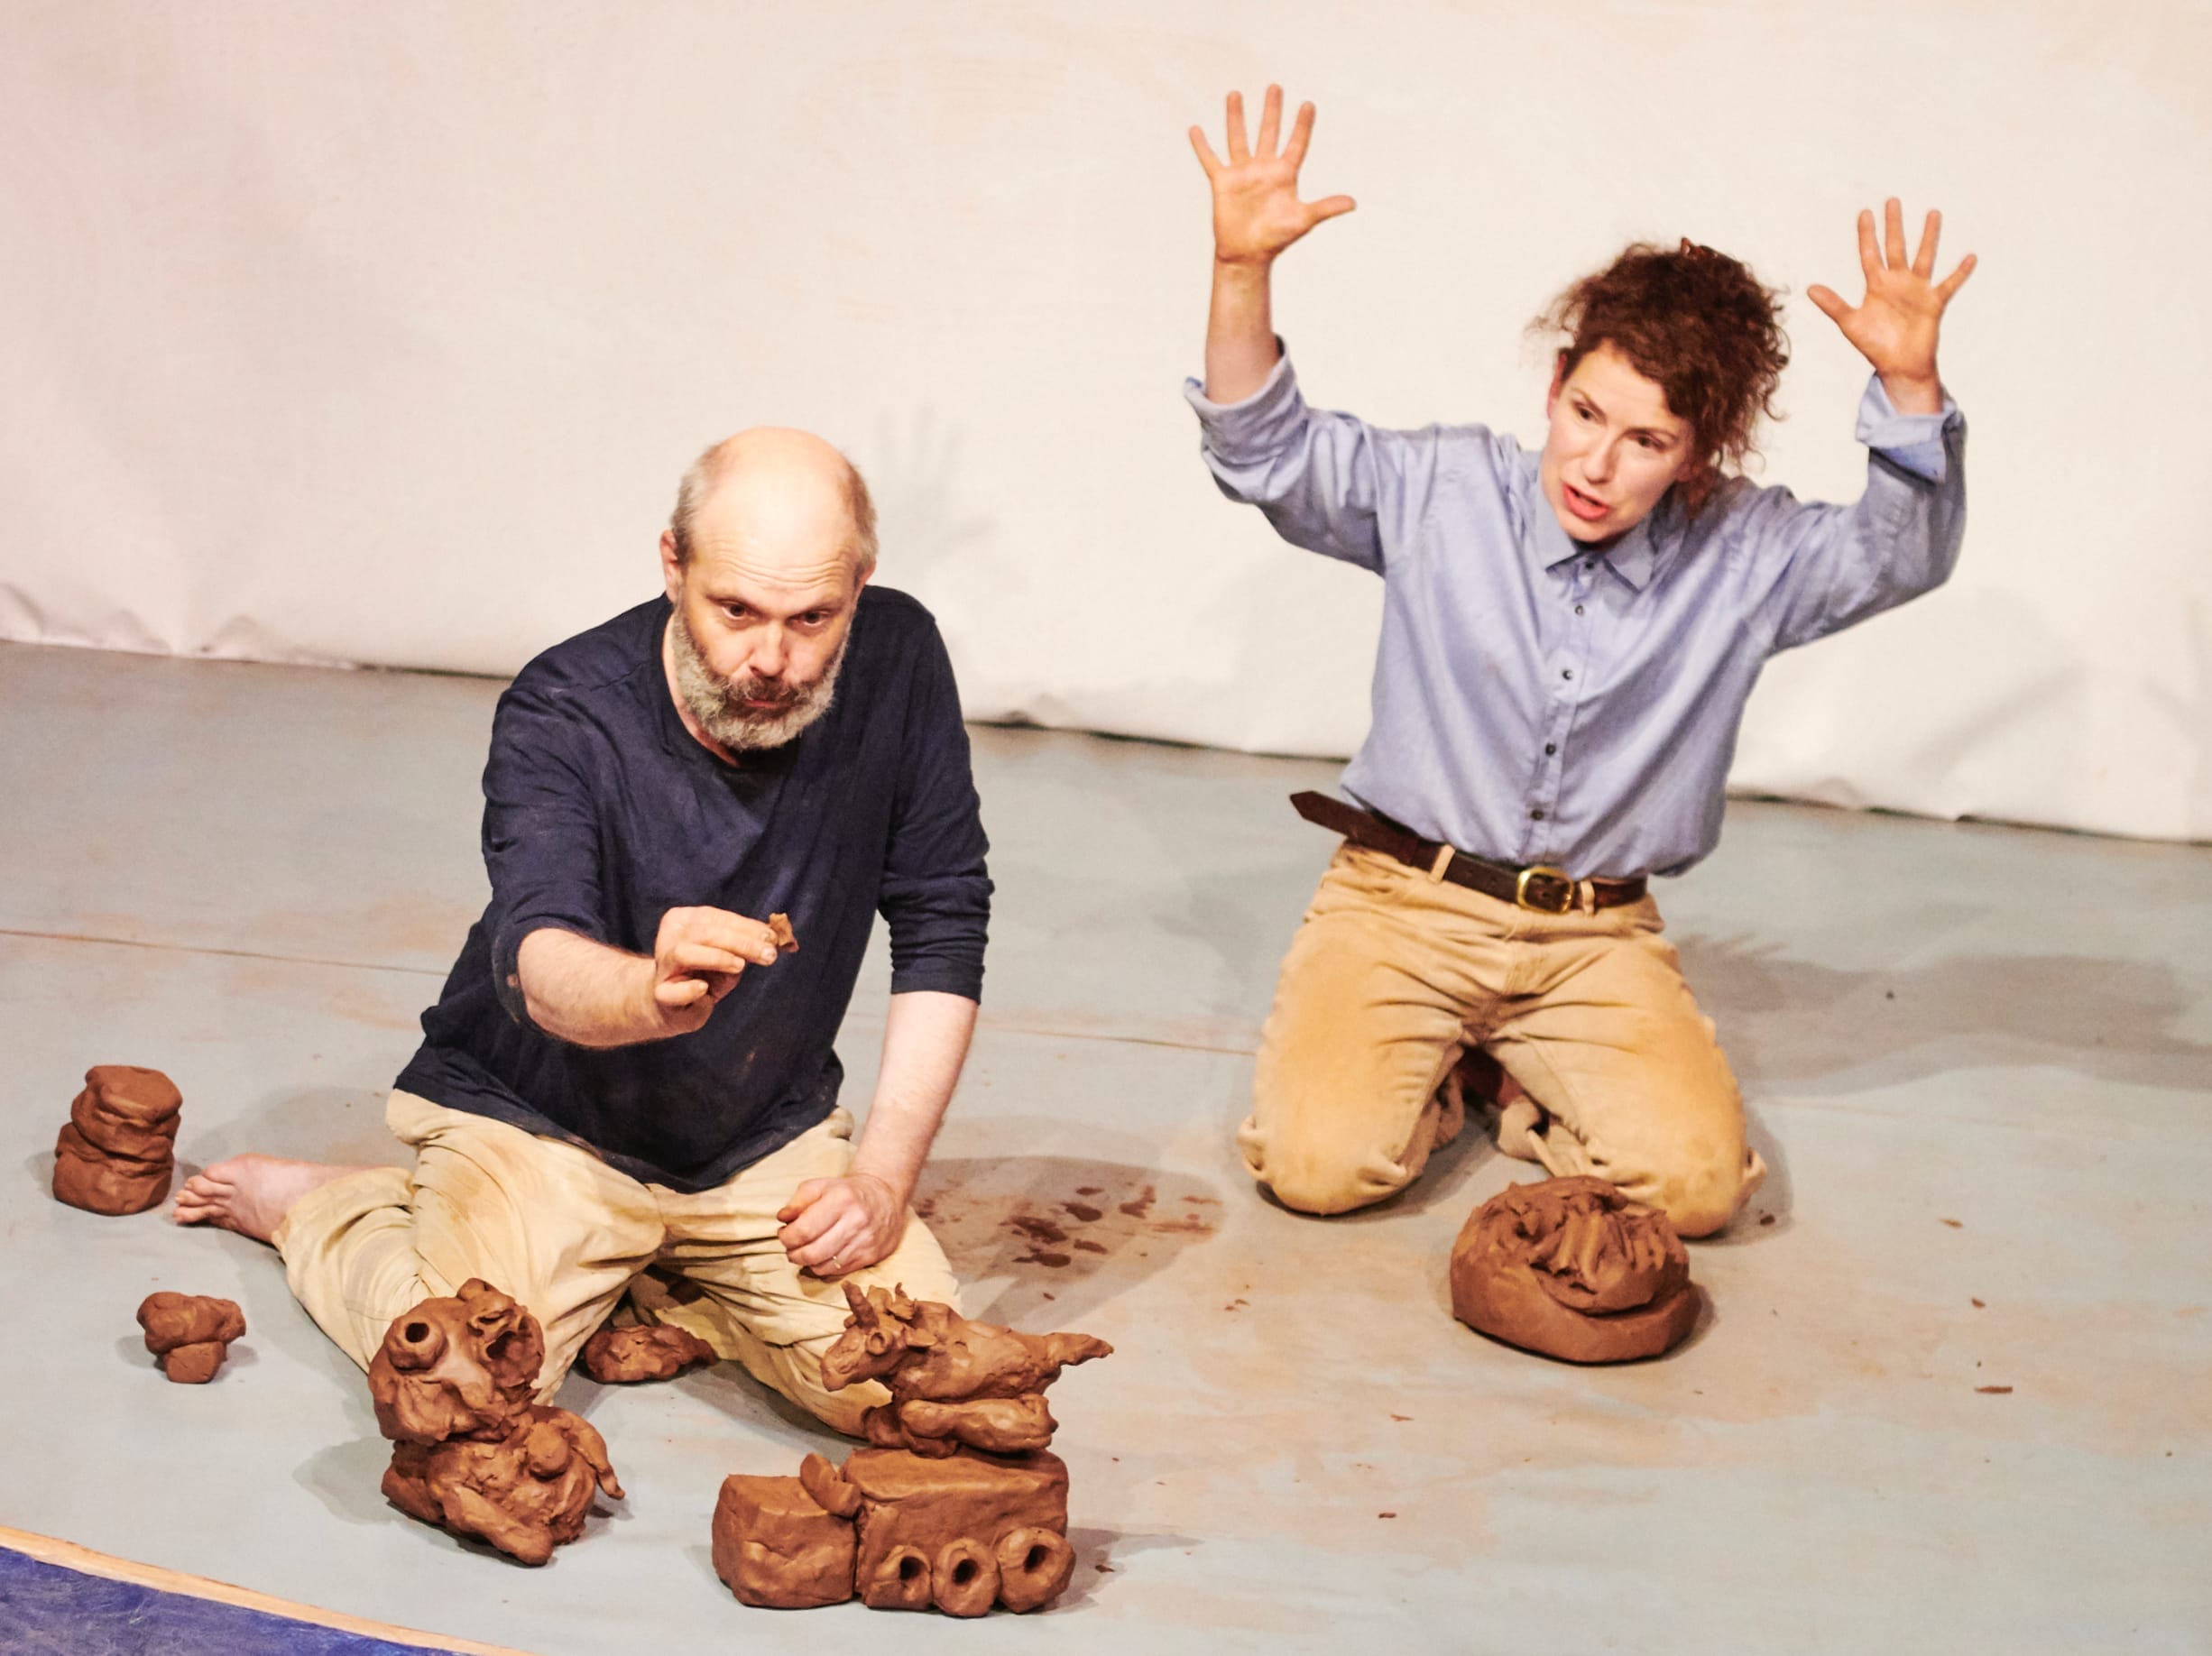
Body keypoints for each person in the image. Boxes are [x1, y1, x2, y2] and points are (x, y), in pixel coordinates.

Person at [1184, 87, 1974, 1236]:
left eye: (1646, 440)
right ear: (1555, 388)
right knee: (1315, 1169)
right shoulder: (1445, 492)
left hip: (1591, 935)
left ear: (1697, 457)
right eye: (1586, 412)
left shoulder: (1743, 554)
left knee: (1697, 1197)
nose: (1596, 463)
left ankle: (1516, 1077)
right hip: (1403, 902)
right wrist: (1240, 269)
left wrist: (1909, 387)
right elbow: (1267, 456)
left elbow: (1897, 556)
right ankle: (1442, 1073)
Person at [175, 427, 989, 1430]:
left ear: (859, 588)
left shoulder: (898, 658)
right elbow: (538, 959)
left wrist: (880, 1178)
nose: (770, 661)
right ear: (671, 564)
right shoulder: (564, 710)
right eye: (734, 610)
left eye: (813, 618)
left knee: (923, 1394)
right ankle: (333, 1210)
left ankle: (666, 1275)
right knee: (471, 1388)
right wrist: (649, 991)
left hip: (756, 1133)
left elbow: (942, 913)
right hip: (541, 1122)